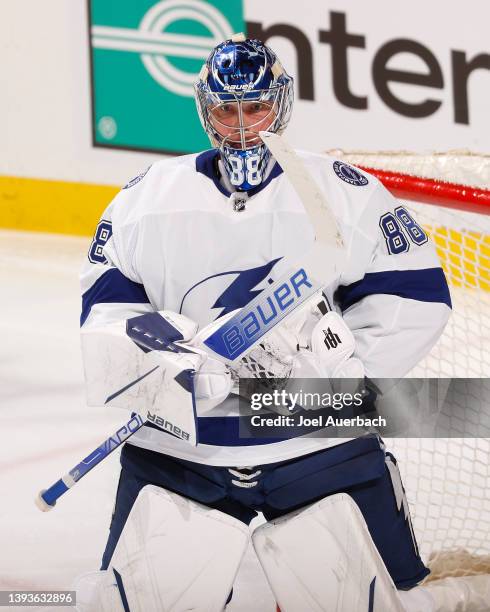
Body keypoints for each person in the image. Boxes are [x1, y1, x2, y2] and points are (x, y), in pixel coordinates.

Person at [78, 34, 451, 611]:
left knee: (385, 603)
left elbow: (416, 295)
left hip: (321, 449)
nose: (243, 125)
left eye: (256, 107)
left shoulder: (344, 193)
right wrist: (163, 362)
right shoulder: (145, 199)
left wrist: (328, 374)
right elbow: (108, 311)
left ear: (281, 104)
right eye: (228, 110)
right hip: (182, 455)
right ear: (206, 110)